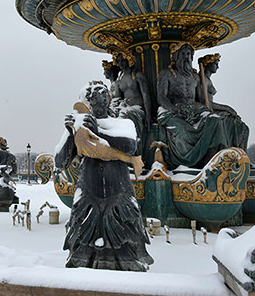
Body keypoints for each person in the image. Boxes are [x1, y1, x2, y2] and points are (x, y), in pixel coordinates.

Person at [55, 81, 153, 271]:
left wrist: (99, 132)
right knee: (83, 253)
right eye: (91, 95)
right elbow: (60, 162)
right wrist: (69, 133)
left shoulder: (123, 123)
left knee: (127, 247)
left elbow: (130, 146)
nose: (97, 96)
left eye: (101, 92)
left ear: (108, 98)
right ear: (88, 102)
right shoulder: (81, 129)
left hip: (119, 192)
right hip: (88, 194)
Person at [157, 43, 233, 170]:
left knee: (215, 121)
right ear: (175, 56)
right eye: (183, 54)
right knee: (183, 130)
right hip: (171, 109)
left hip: (195, 108)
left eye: (189, 54)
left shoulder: (195, 76)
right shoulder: (167, 74)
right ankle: (188, 163)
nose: (187, 57)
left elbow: (202, 99)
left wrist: (224, 108)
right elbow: (161, 97)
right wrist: (174, 109)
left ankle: (210, 162)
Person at [197, 54, 249, 150]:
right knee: (237, 125)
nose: (218, 67)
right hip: (206, 110)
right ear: (208, 64)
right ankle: (235, 152)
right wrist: (227, 108)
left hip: (212, 109)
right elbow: (204, 101)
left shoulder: (207, 79)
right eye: (216, 64)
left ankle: (240, 154)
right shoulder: (202, 79)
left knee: (241, 126)